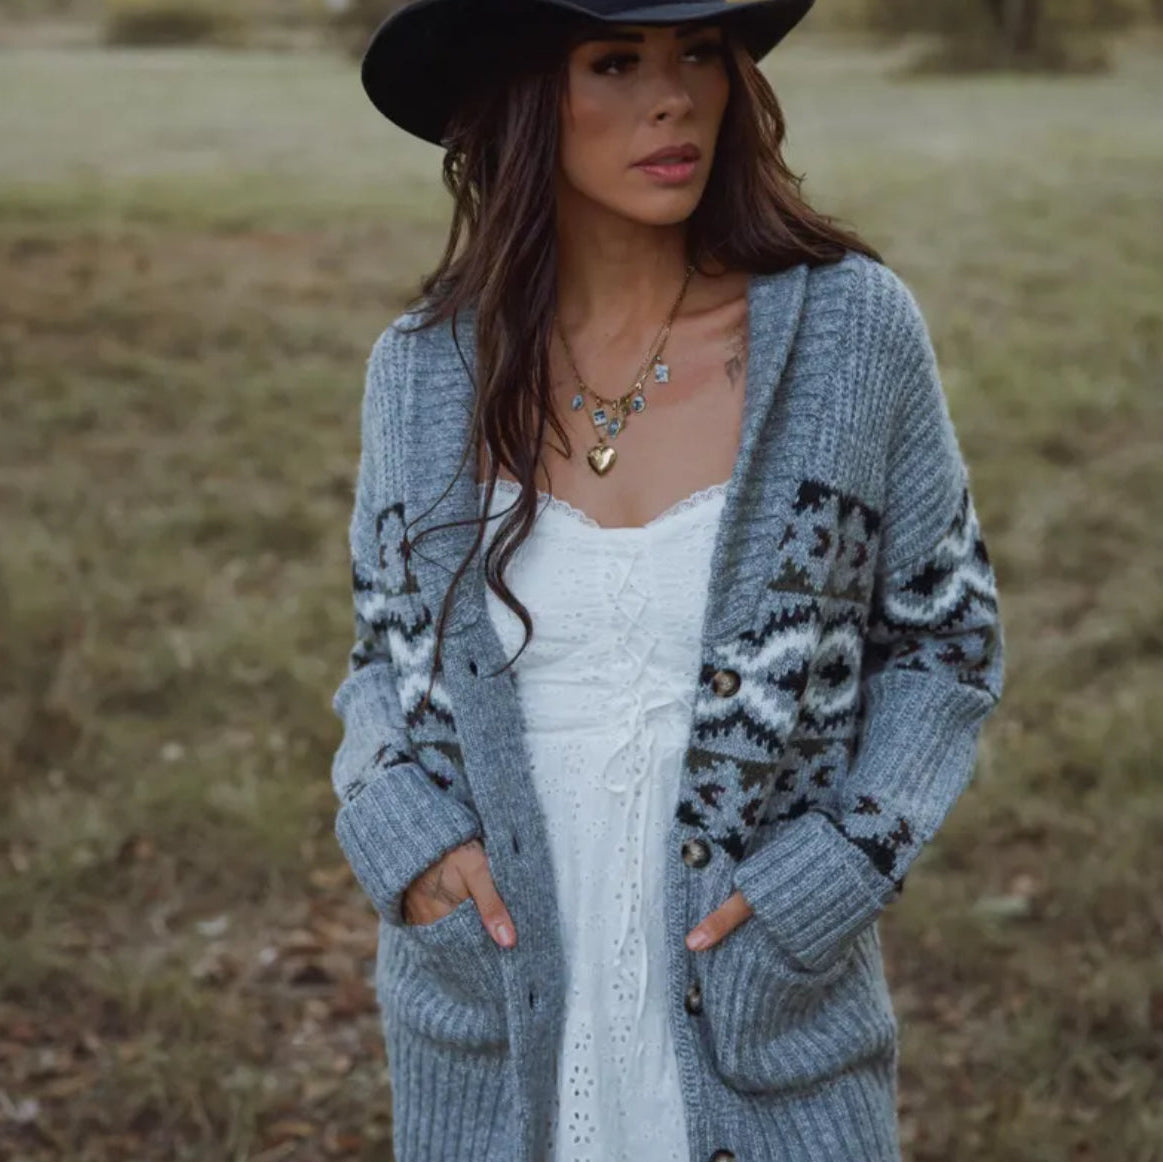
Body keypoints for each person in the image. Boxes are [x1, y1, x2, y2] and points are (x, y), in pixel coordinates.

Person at [329, 1, 1007, 1160]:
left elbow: (946, 642)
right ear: (521, 98)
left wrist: (838, 866)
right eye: (614, 62)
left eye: (697, 53)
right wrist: (407, 841)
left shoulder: (848, 333)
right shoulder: (424, 369)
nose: (673, 99)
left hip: (760, 990)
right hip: (492, 1004)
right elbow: (381, 660)